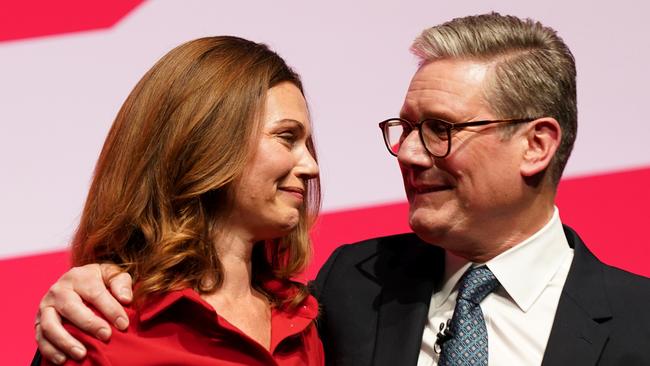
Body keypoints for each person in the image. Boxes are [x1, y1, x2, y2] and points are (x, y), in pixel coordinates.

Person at [35, 13, 650, 366]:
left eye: (439, 131)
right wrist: (85, 284)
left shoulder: (637, 324)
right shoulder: (350, 286)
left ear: (536, 145)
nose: (408, 154)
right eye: (404, 129)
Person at [33, 36, 323, 365]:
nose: (310, 166)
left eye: (307, 144)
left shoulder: (303, 320)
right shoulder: (103, 330)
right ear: (205, 141)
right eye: (287, 137)